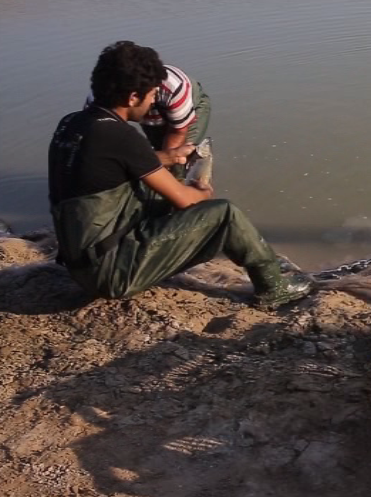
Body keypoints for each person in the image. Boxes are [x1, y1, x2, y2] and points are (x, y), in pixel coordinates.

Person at [49, 41, 312, 307]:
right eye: (151, 95)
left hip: (79, 263)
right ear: (132, 97)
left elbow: (109, 173)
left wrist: (166, 160)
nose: (153, 101)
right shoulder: (122, 137)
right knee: (225, 215)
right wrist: (202, 192)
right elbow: (186, 200)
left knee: (155, 187)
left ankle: (173, 245)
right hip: (111, 276)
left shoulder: (71, 123)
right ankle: (272, 287)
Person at [85, 63, 210, 177]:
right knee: (153, 156)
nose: (153, 100)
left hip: (185, 107)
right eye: (151, 96)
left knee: (177, 165)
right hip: (143, 110)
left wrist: (167, 163)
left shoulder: (174, 86)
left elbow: (177, 132)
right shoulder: (99, 99)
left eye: (154, 94)